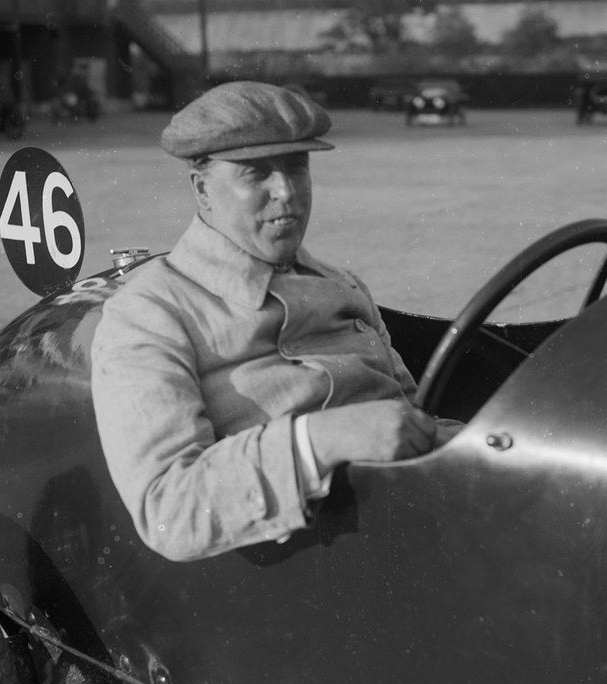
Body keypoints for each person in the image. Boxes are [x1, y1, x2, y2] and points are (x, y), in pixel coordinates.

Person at [91, 81, 454, 562]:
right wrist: (320, 440)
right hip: (326, 558)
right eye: (256, 172)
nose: (286, 192)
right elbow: (168, 510)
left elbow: (410, 418)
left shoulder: (343, 284)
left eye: (296, 167)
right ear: (203, 190)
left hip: (416, 523)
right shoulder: (150, 315)